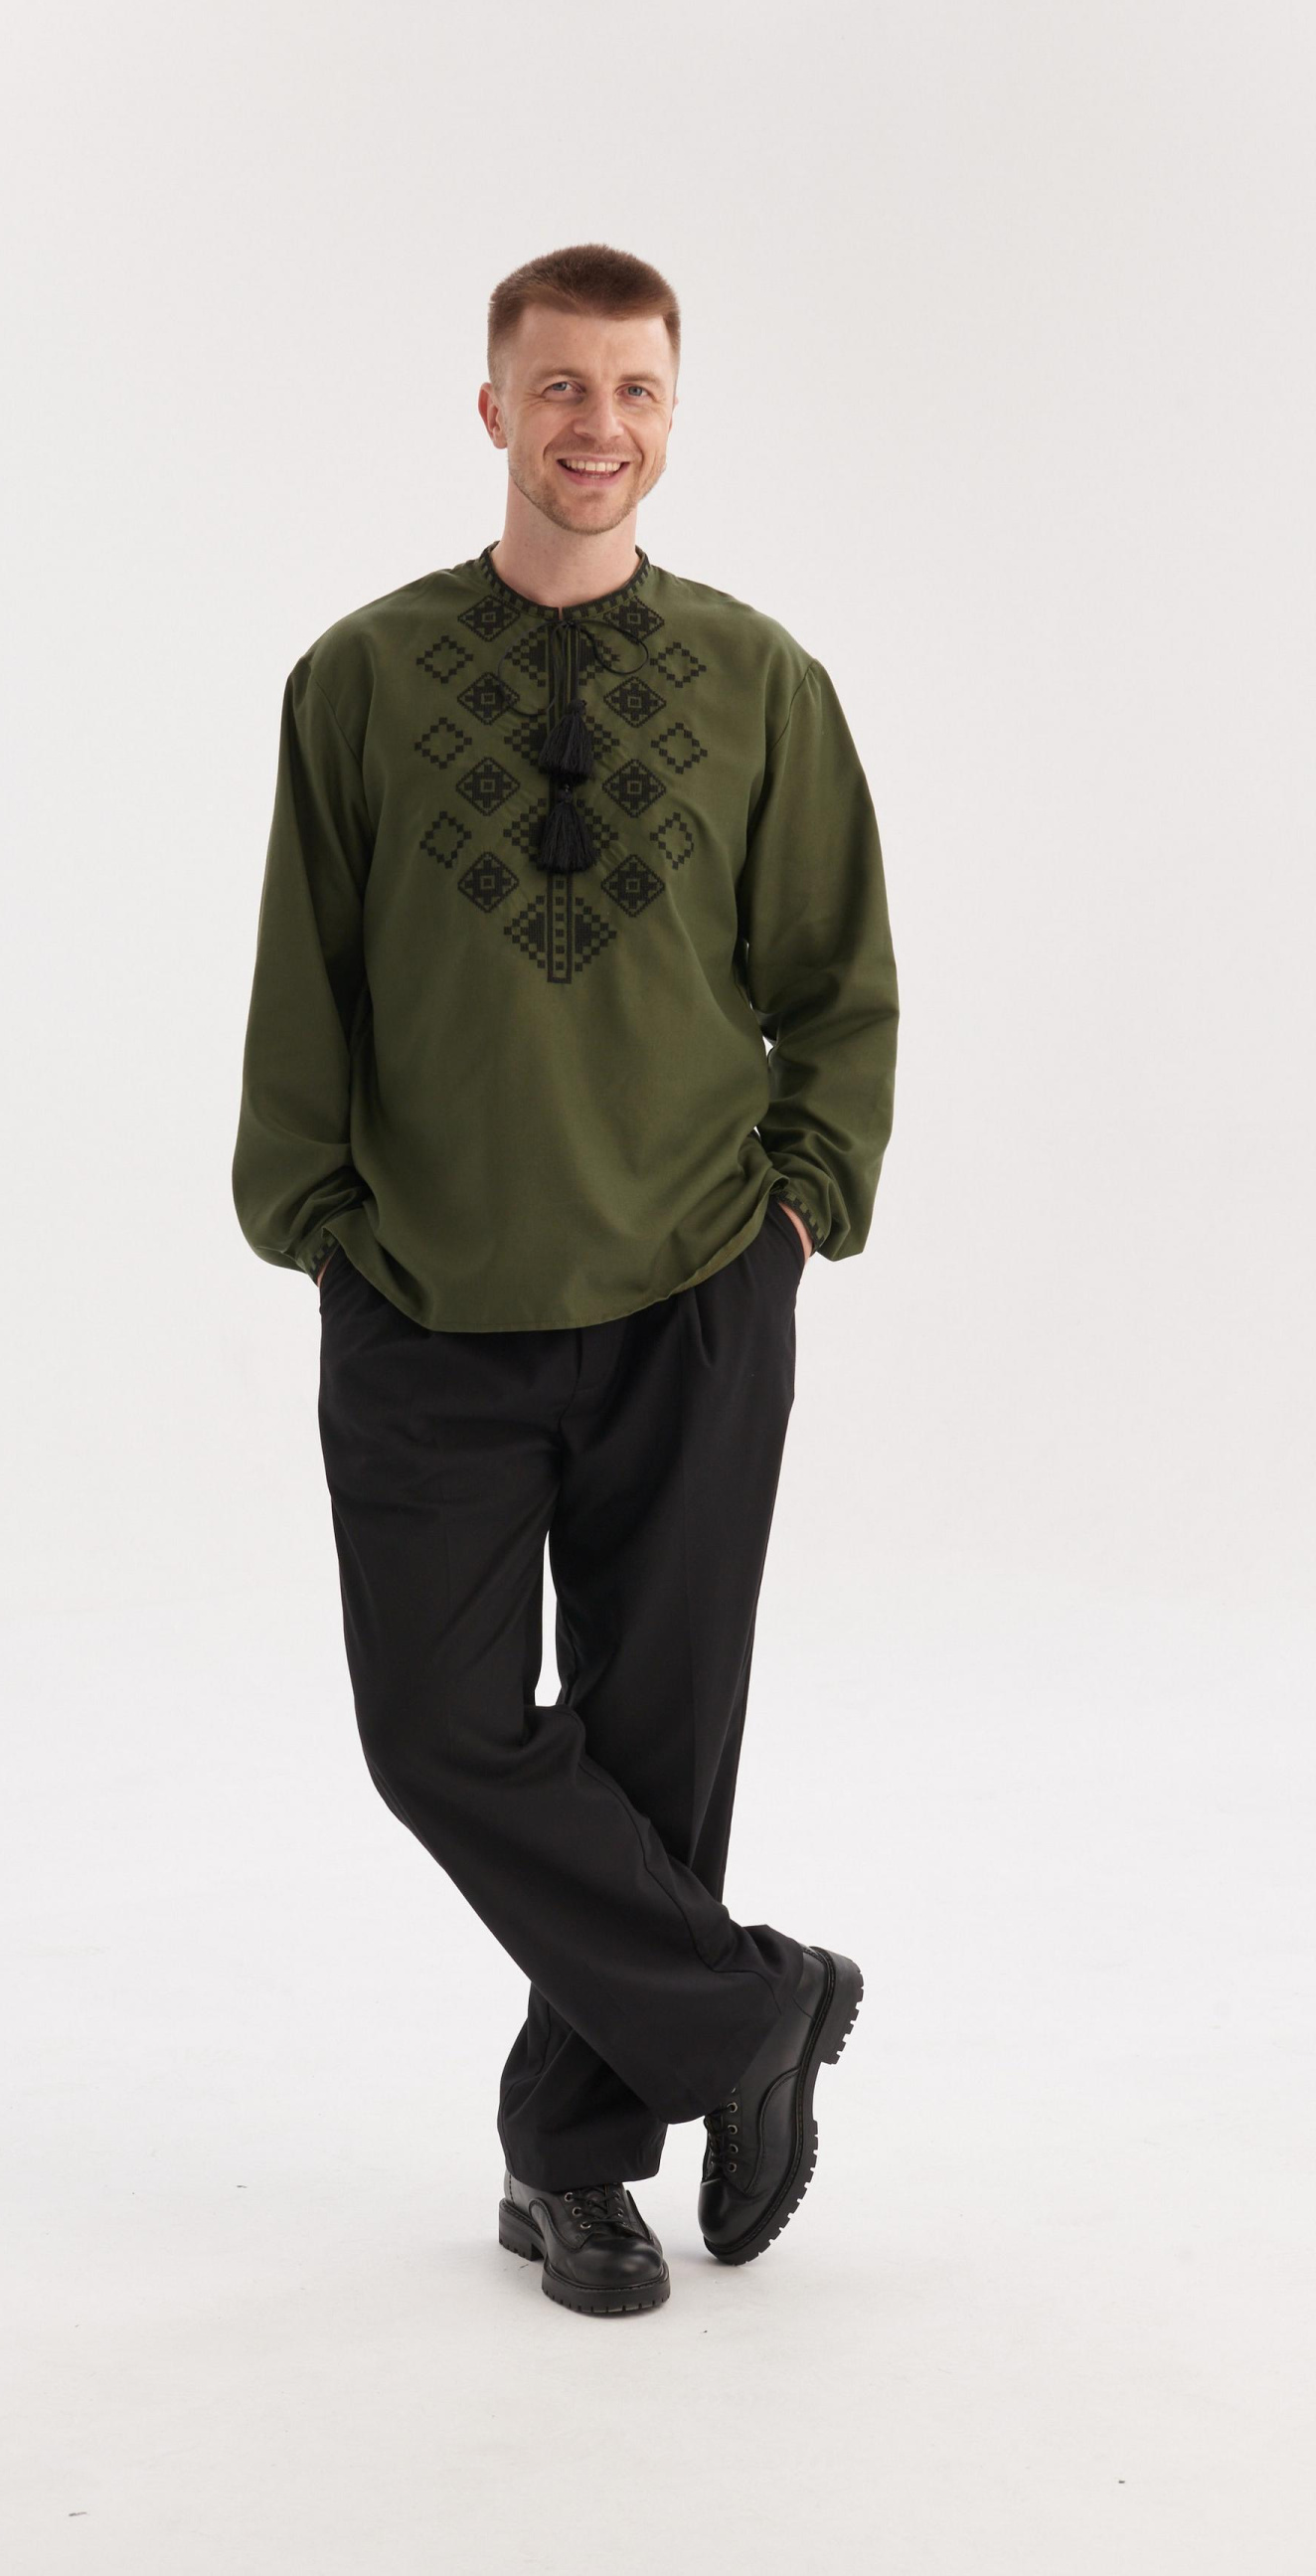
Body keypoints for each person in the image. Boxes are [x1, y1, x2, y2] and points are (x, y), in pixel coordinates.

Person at [232, 244, 898, 2318]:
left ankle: (575, 2162)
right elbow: (306, 966)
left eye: (631, 390)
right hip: (424, 1291)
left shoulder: (760, 680)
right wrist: (316, 1219)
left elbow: (836, 983)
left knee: (656, 1741)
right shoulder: (357, 677)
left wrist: (800, 1204)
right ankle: (750, 2012)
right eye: (557, 387)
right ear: (493, 408)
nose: (594, 426)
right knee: (437, 1733)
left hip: (692, 1283)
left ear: (668, 417)